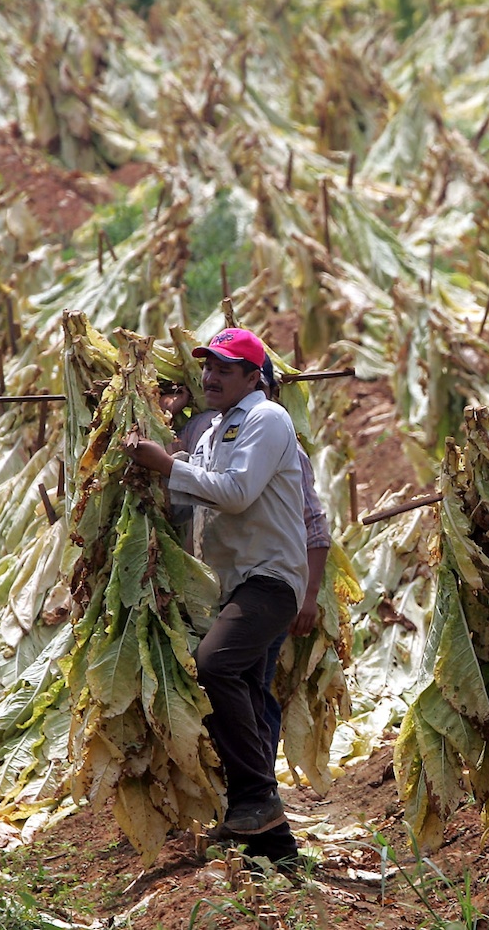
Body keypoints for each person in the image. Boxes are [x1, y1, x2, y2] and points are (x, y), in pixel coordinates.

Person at [125, 328, 307, 861]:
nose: (210, 377)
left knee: (215, 665)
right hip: (228, 586)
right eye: (207, 367)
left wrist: (166, 465)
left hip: (270, 578)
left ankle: (254, 799)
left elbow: (235, 493)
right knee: (243, 697)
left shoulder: (266, 419)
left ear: (255, 377)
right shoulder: (213, 431)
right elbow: (190, 503)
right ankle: (275, 846)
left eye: (225, 369)